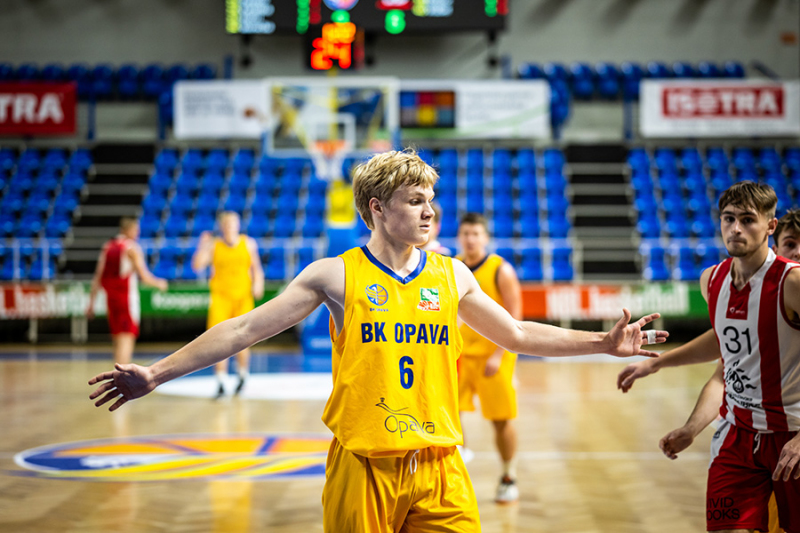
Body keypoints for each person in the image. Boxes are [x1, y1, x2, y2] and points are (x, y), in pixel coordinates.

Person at [90, 149, 667, 533]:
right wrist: (158, 373)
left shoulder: (451, 275)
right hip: (363, 465)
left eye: (430, 200)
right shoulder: (333, 275)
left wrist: (602, 342)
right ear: (377, 209)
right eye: (415, 201)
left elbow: (515, 334)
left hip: (441, 464)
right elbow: (243, 328)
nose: (430, 211)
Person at [616, 208, 800, 533]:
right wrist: (690, 426)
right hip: (749, 443)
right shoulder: (761, 300)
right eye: (791, 243)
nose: (798, 253)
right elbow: (723, 372)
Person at [616, 208, 800, 393]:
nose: (798, 253)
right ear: (775, 251)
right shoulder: (760, 296)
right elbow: (722, 357)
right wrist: (657, 363)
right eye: (790, 244)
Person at [455, 212, 523, 504]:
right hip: (460, 355)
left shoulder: (500, 270)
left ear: (485, 237)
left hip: (492, 357)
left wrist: (500, 354)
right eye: (466, 234)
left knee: (500, 420)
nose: (470, 239)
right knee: (448, 417)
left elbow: (516, 315)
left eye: (475, 234)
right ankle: (455, 476)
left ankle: (508, 476)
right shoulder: (453, 267)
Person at [191, 211, 264, 398]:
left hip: (242, 297)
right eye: (227, 224)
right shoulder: (214, 246)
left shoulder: (248, 243)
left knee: (243, 339)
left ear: (238, 226)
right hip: (221, 297)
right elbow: (197, 265)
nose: (230, 227)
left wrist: (258, 283)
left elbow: (256, 268)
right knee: (218, 340)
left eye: (234, 224)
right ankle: (221, 380)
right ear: (222, 227)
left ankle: (242, 374)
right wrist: (201, 245)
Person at [87, 217, 168, 365]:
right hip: (126, 299)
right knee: (127, 337)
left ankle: (117, 373)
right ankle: (122, 376)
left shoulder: (108, 246)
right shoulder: (131, 248)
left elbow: (97, 277)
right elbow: (144, 277)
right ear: (128, 230)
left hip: (111, 299)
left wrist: (91, 303)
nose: (137, 233)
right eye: (136, 230)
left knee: (117, 338)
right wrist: (159, 283)